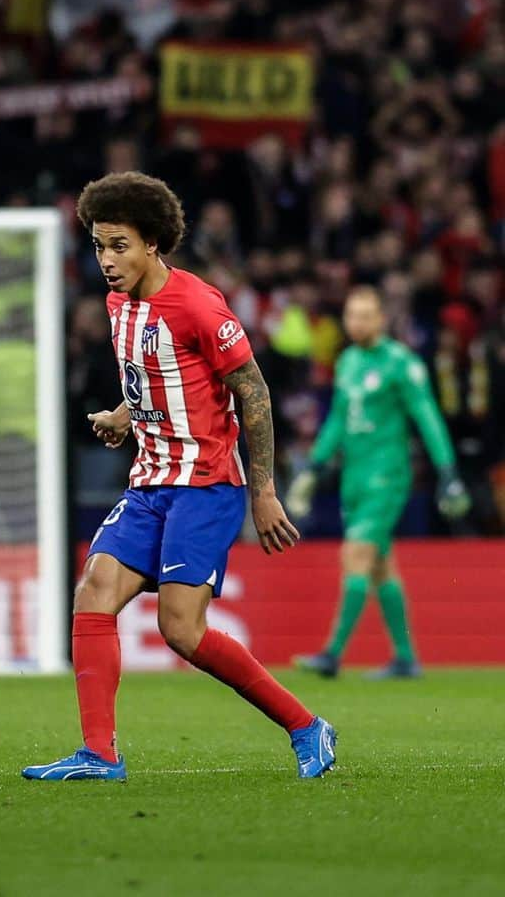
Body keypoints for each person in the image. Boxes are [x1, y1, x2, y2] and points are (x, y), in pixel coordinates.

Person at [22, 172, 336, 783]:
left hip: (207, 484)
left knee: (181, 631)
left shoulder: (197, 304)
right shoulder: (118, 305)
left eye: (119, 246)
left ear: (153, 245)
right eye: (98, 246)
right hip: (149, 482)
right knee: (93, 592)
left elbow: (253, 390)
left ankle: (306, 725)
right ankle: (99, 754)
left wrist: (264, 493)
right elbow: (153, 377)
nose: (107, 261)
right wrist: (123, 414)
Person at [288, 287, 470, 679]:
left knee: (354, 556)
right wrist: (314, 467)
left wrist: (448, 471)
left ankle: (333, 654)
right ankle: (405, 658)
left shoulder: (401, 364)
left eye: (365, 315)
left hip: (386, 477)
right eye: (352, 315)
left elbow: (427, 416)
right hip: (354, 478)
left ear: (381, 320)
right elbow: (337, 420)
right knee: (381, 567)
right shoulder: (349, 361)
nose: (357, 322)